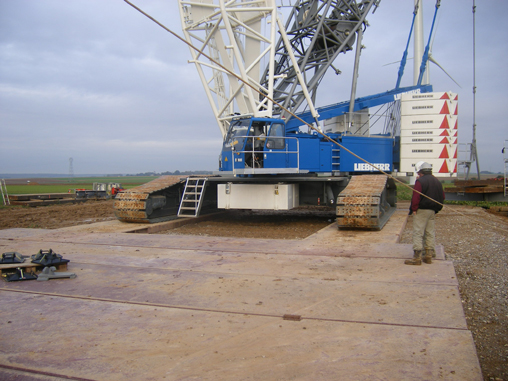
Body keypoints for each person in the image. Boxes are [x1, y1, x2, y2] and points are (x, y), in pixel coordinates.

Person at [405, 161, 445, 265]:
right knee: (430, 232)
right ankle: (428, 256)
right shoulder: (437, 181)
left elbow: (416, 196)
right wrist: (437, 209)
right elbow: (442, 196)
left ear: (419, 171)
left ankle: (417, 258)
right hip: (432, 211)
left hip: (421, 210)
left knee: (418, 233)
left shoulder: (420, 182)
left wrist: (414, 208)